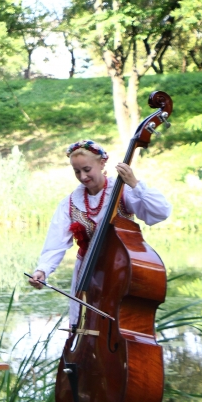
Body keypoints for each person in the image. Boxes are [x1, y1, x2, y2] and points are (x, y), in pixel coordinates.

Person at [28, 139, 172, 326]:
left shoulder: (123, 191)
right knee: (84, 325)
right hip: (87, 272)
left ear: (102, 163)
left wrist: (135, 184)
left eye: (87, 169)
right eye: (77, 171)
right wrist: (43, 270)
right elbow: (56, 242)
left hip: (121, 271)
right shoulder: (70, 202)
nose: (83, 176)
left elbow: (161, 212)